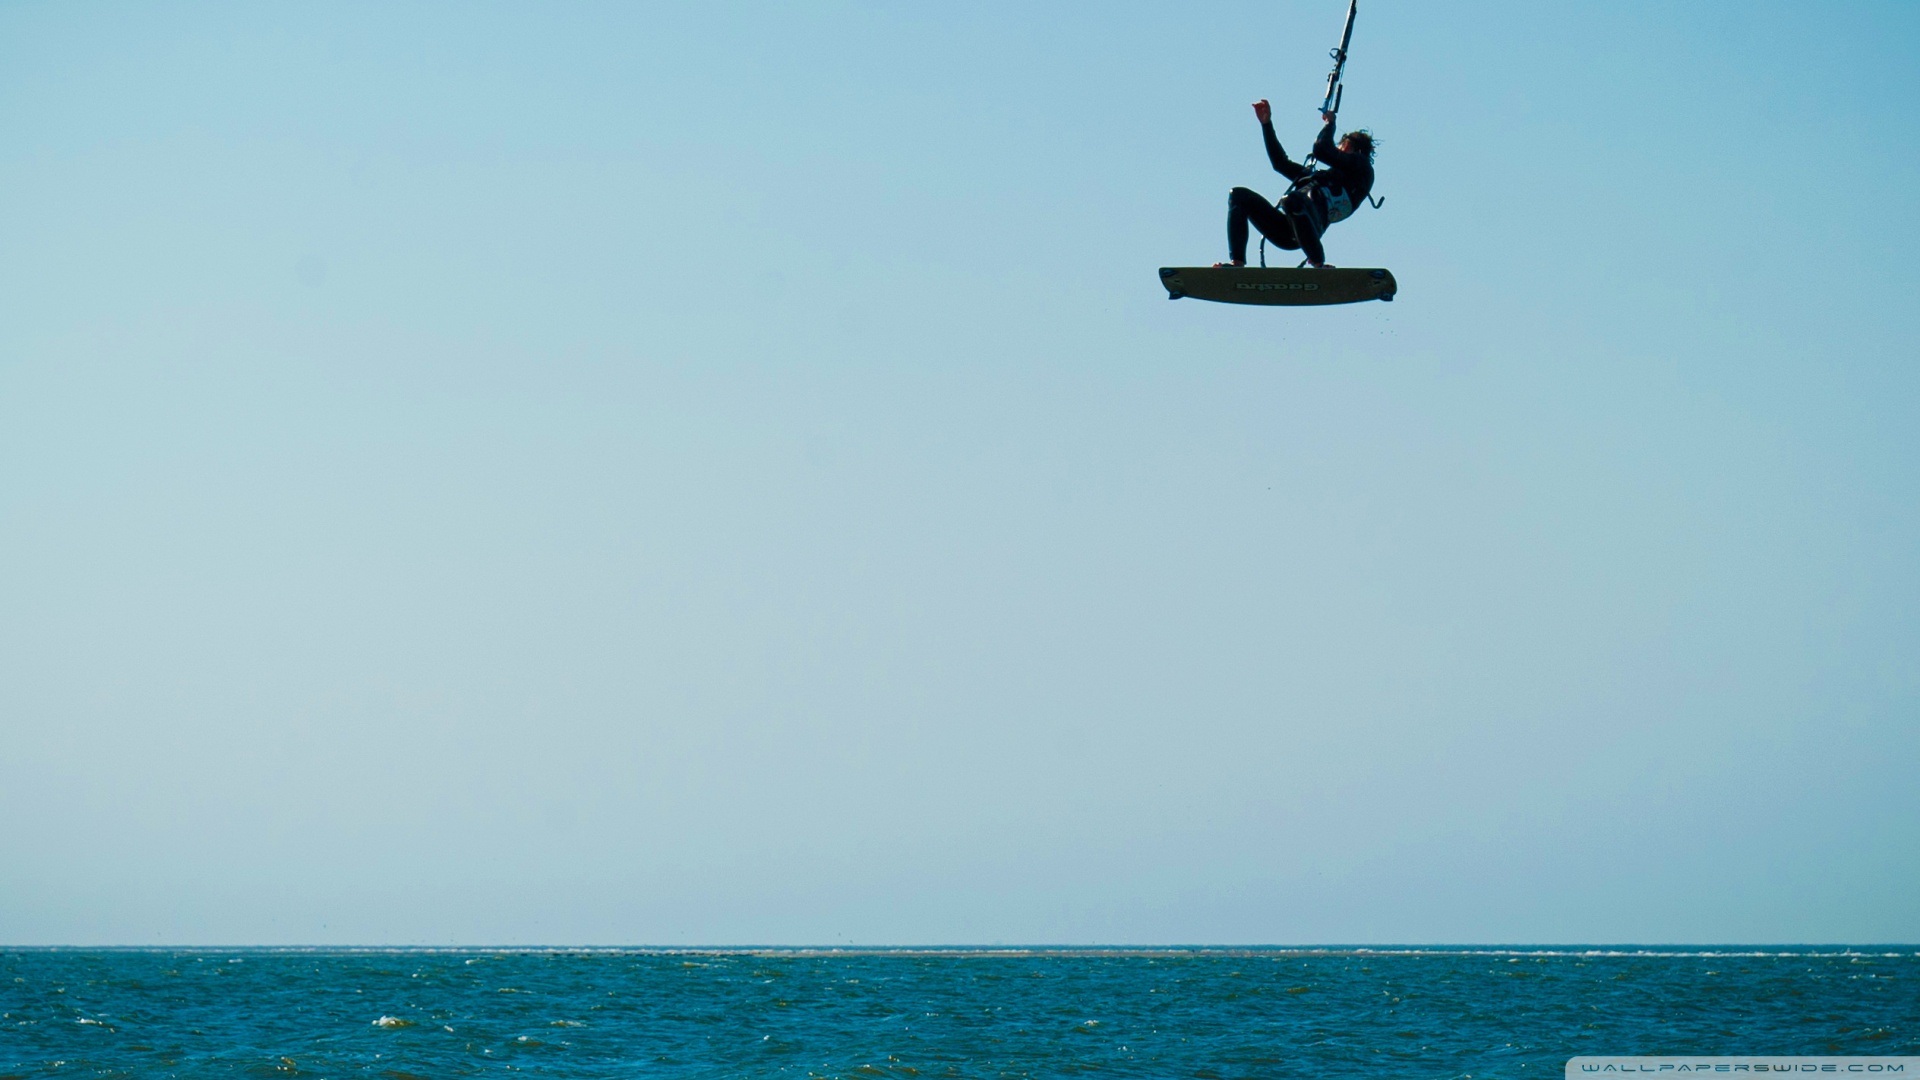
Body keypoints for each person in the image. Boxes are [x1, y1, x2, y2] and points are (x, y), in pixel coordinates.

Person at [1218, 99, 1375, 269]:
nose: (1338, 152)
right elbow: (1280, 163)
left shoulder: (1362, 169)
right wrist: (1266, 124)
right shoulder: (1317, 179)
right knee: (1239, 195)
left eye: (1342, 147)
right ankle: (1237, 264)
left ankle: (1318, 263)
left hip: (1310, 226)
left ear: (1351, 148)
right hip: (1287, 231)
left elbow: (1322, 149)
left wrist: (1330, 123)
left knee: (1291, 200)